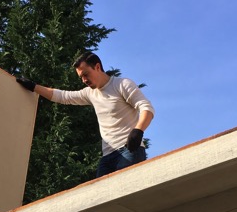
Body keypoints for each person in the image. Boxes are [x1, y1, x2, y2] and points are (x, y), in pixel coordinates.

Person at [16, 51, 154, 177]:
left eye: (86, 74)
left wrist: (138, 131)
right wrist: (34, 87)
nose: (84, 80)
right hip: (108, 155)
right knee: (101, 194)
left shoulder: (122, 84)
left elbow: (147, 108)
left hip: (130, 150)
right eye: (81, 77)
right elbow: (62, 96)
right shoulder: (90, 93)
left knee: (124, 189)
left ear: (97, 67)